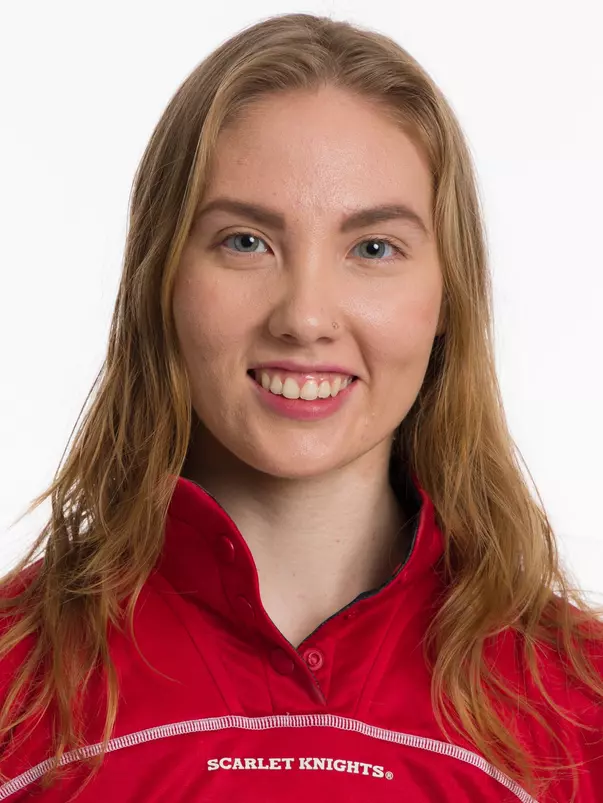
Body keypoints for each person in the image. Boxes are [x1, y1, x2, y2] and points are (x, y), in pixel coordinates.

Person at [1, 11, 602, 802]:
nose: (306, 316)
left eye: (373, 248)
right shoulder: (16, 686)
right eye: (246, 241)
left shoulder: (577, 706)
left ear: (446, 293)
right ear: (160, 278)